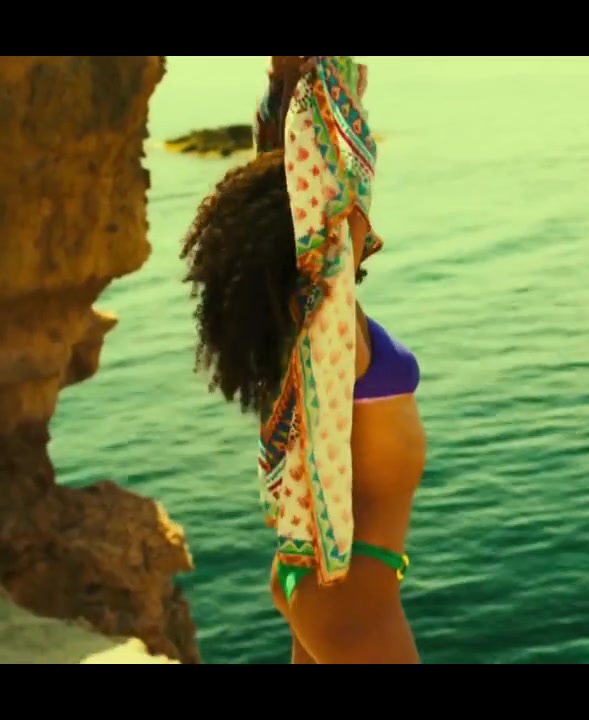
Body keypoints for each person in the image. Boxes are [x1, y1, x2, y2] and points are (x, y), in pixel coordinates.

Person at [179, 56, 425, 664]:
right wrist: (331, 88)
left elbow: (296, 181)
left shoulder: (303, 326)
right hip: (351, 589)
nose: (363, 217)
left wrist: (286, 88)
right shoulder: (325, 323)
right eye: (347, 207)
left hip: (319, 574)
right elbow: (326, 187)